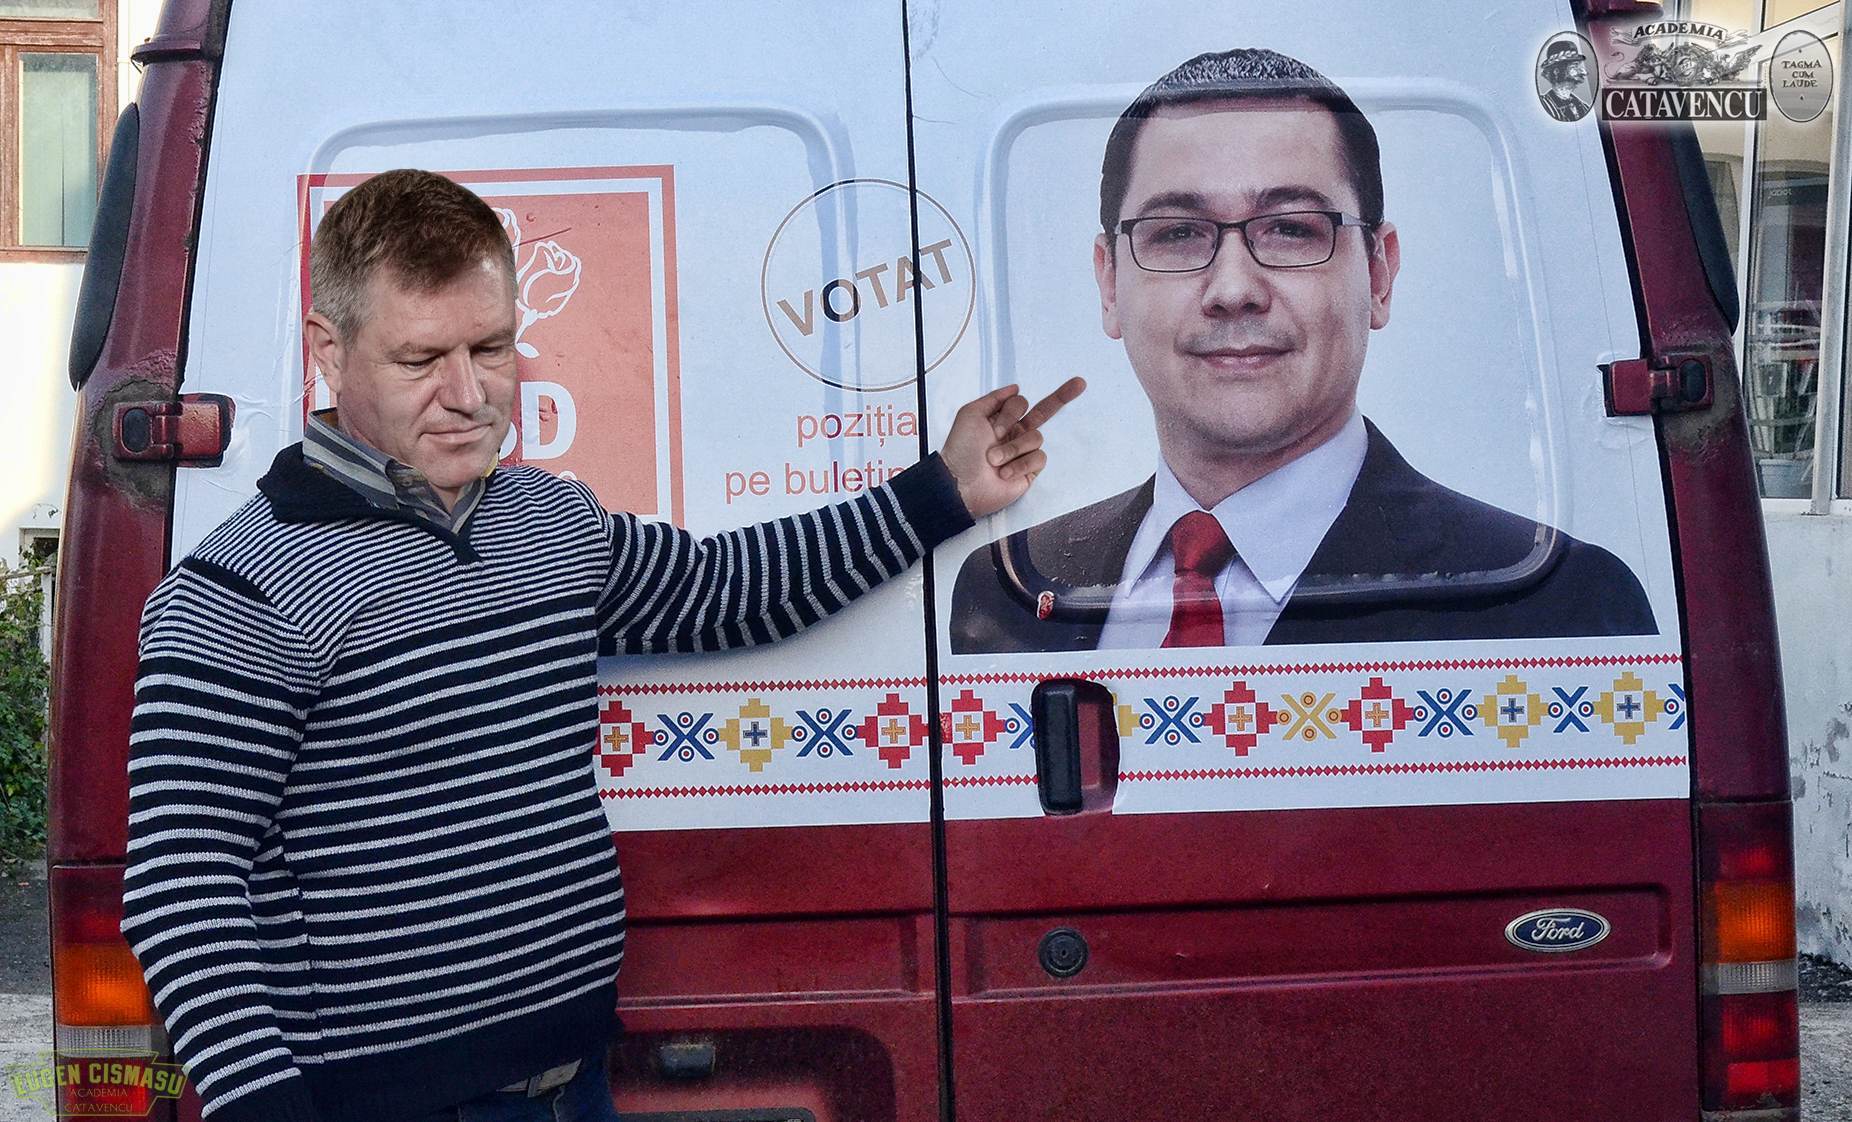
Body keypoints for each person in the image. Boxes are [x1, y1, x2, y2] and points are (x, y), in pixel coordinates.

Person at [120, 169, 1082, 1122]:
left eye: (491, 347)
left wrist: (943, 492)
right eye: (421, 360)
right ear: (329, 351)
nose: (468, 394)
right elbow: (180, 888)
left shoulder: (550, 523)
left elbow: (734, 591)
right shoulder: (239, 592)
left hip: (576, 1087)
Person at [950, 48, 1654, 656]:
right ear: (1110, 284)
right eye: (1178, 233)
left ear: (1379, 274)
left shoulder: (1561, 603)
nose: (1233, 289)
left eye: (1290, 229)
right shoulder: (1004, 592)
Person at [1538, 40, 1594, 122]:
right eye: (1574, 66)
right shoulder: (1543, 105)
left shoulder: (1584, 107)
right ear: (1556, 71)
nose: (1584, 72)